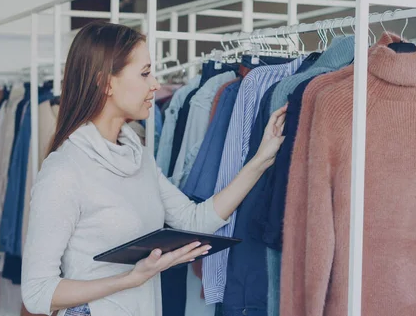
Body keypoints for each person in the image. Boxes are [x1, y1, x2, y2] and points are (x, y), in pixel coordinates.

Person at [21, 20, 287, 316]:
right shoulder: (64, 171)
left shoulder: (138, 155)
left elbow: (194, 220)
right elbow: (37, 293)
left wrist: (261, 159)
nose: (156, 84)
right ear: (106, 83)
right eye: (145, 73)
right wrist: (131, 278)